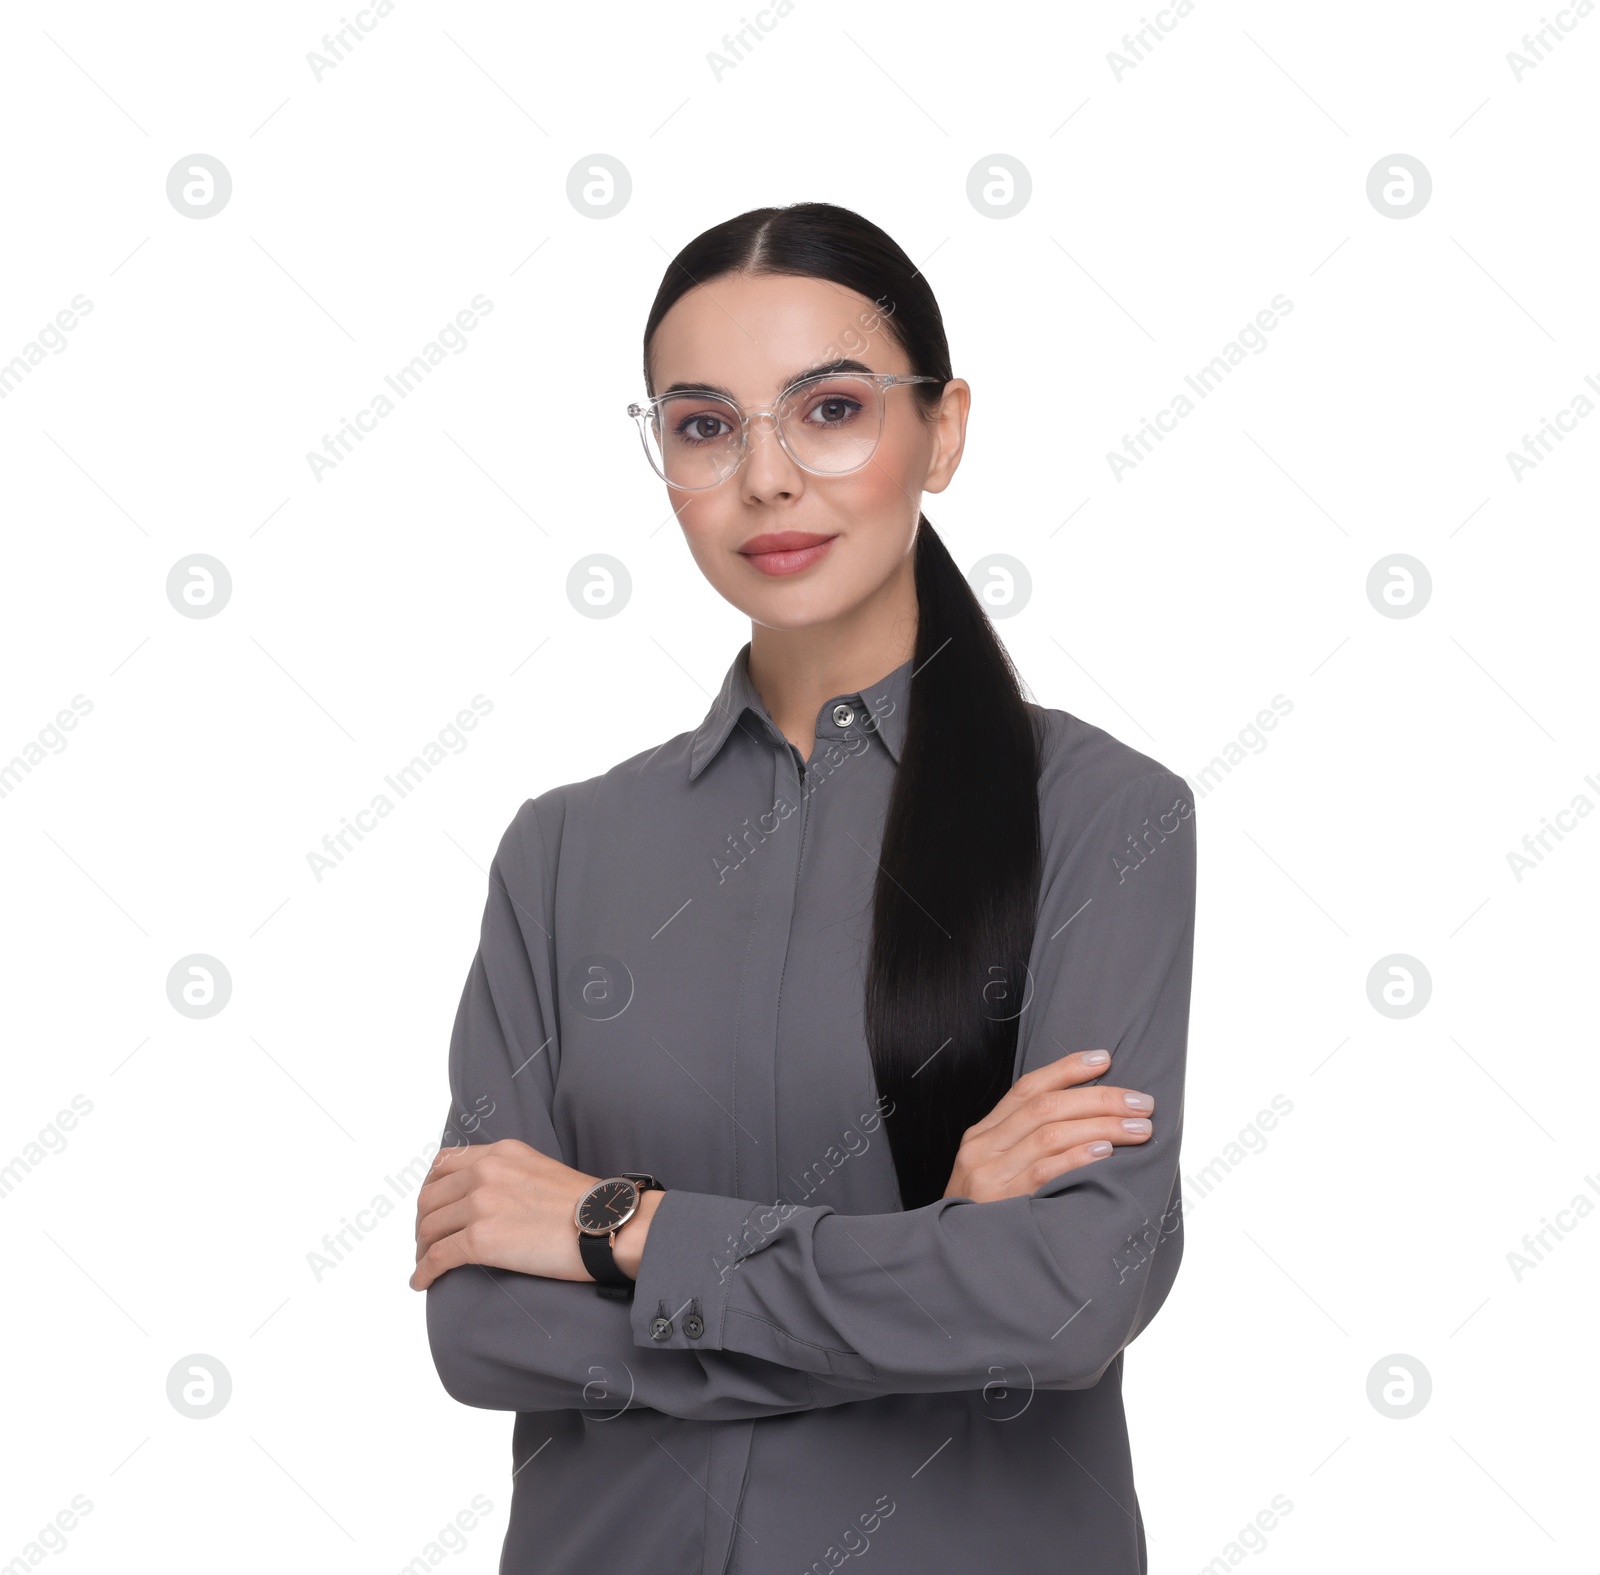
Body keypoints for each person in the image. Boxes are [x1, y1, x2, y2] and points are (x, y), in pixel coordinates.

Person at [411, 201, 1198, 1574]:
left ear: (941, 431)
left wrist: (620, 1232)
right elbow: (484, 1325)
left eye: (829, 409)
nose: (765, 479)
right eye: (705, 425)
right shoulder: (563, 851)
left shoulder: (1102, 818)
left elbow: (1071, 1303)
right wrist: (935, 1264)